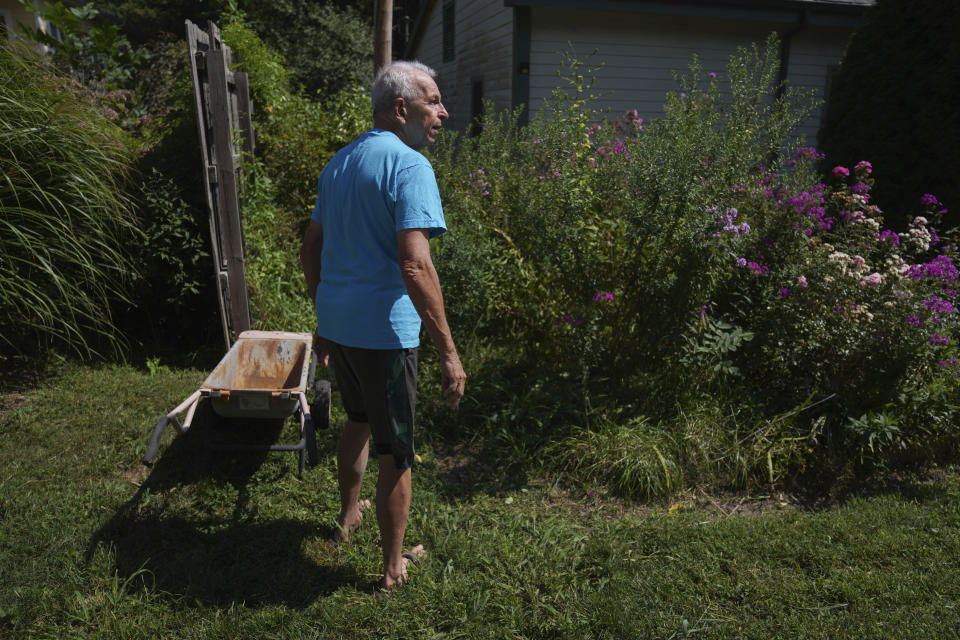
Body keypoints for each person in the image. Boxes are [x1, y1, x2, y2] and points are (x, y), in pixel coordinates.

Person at [299, 60, 466, 592]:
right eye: (433, 102)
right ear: (402, 108)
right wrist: (448, 350)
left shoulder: (340, 163)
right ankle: (393, 568)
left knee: (358, 420)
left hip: (342, 328)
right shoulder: (411, 166)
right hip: (386, 335)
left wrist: (324, 314)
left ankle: (350, 515)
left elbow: (310, 250)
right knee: (398, 449)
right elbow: (415, 265)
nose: (442, 112)